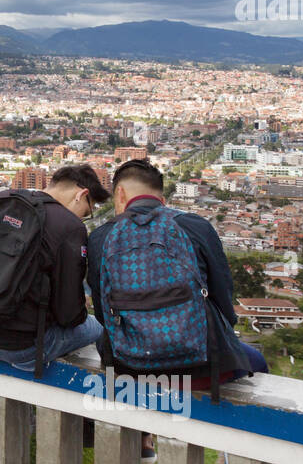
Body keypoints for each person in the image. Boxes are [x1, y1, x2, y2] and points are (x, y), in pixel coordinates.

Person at [86, 158, 269, 389]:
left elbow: (103, 313)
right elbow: (223, 297)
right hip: (201, 365)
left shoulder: (101, 237)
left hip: (129, 366)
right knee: (258, 364)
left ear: (120, 194)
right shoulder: (194, 226)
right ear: (162, 201)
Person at [0, 164, 111, 372]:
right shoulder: (68, 226)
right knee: (99, 327)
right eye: (87, 211)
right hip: (23, 347)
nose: (82, 218)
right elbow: (69, 315)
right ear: (81, 194)